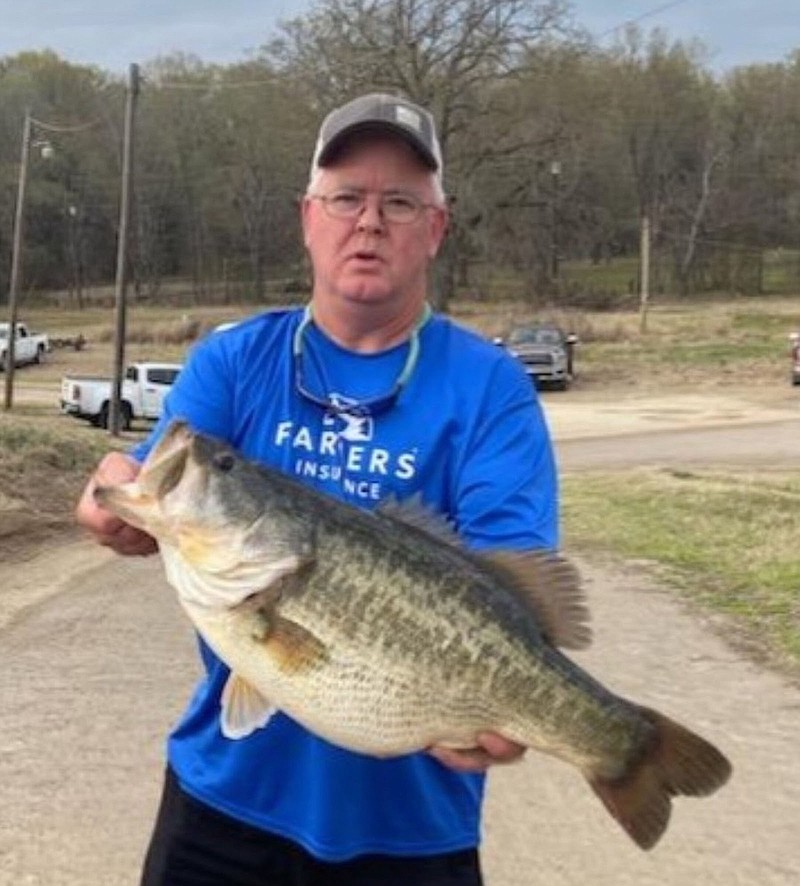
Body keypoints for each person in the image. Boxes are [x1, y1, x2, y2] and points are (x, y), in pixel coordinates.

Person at [76, 92, 560, 886]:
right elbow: (142, 478)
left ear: (435, 229)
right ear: (308, 217)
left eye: (400, 201)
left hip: (415, 832)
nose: (368, 222)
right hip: (222, 808)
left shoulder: (492, 389)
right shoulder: (235, 361)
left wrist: (516, 704)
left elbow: (514, 580)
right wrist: (110, 496)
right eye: (346, 198)